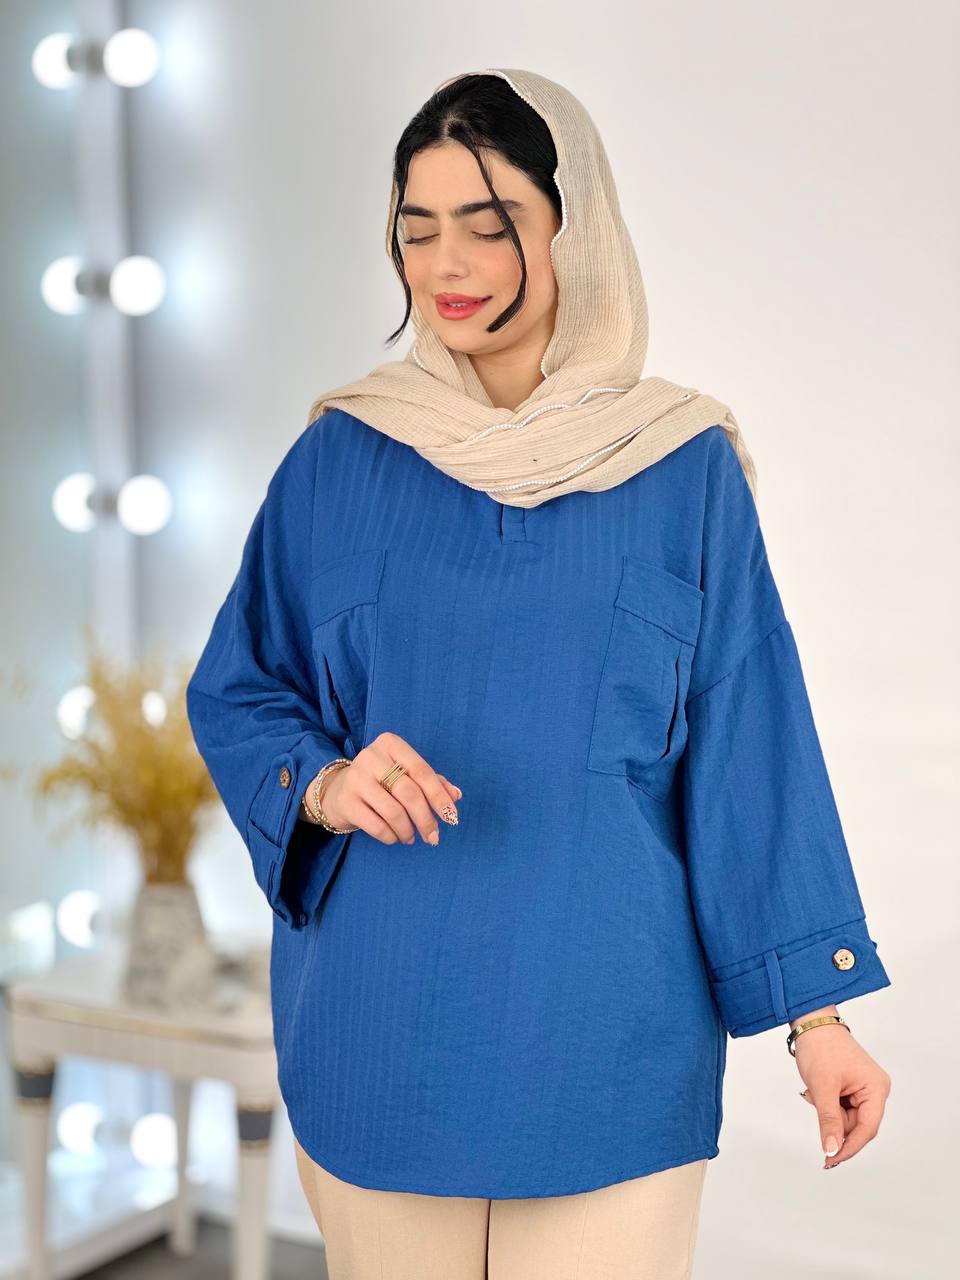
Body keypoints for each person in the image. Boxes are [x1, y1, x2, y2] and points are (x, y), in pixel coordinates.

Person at [186, 67, 893, 1279]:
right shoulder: (339, 458)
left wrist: (816, 1018)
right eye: (417, 228)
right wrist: (326, 782)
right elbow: (241, 686)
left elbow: (749, 740)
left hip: (608, 1045)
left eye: (489, 222)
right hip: (380, 1031)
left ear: (575, 228)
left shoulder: (680, 467)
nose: (446, 264)